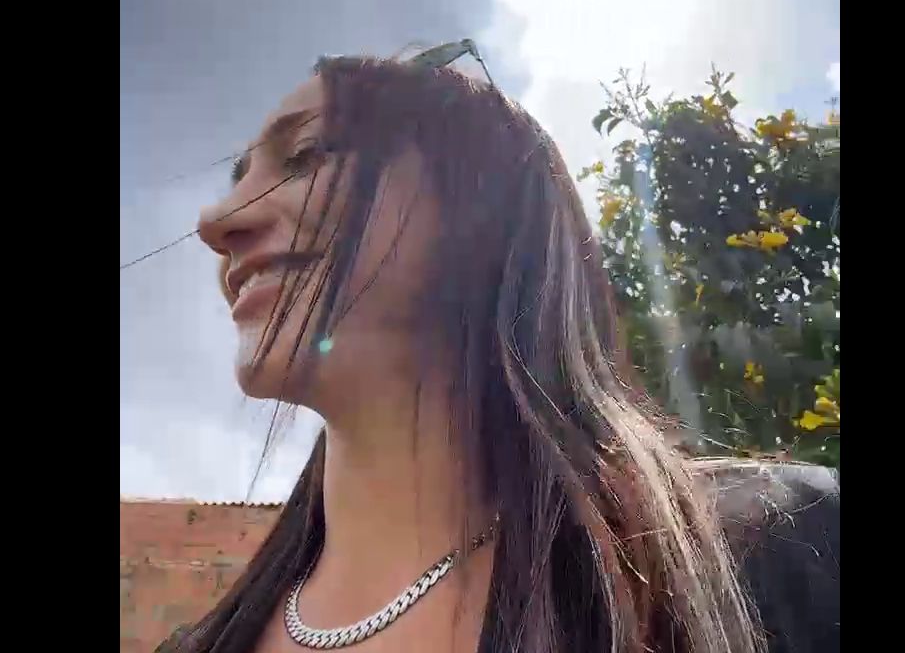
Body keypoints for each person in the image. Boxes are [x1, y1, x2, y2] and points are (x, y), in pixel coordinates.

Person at [167, 49, 838, 653]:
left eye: (308, 155)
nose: (216, 222)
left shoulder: (767, 542)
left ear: (482, 201)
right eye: (237, 180)